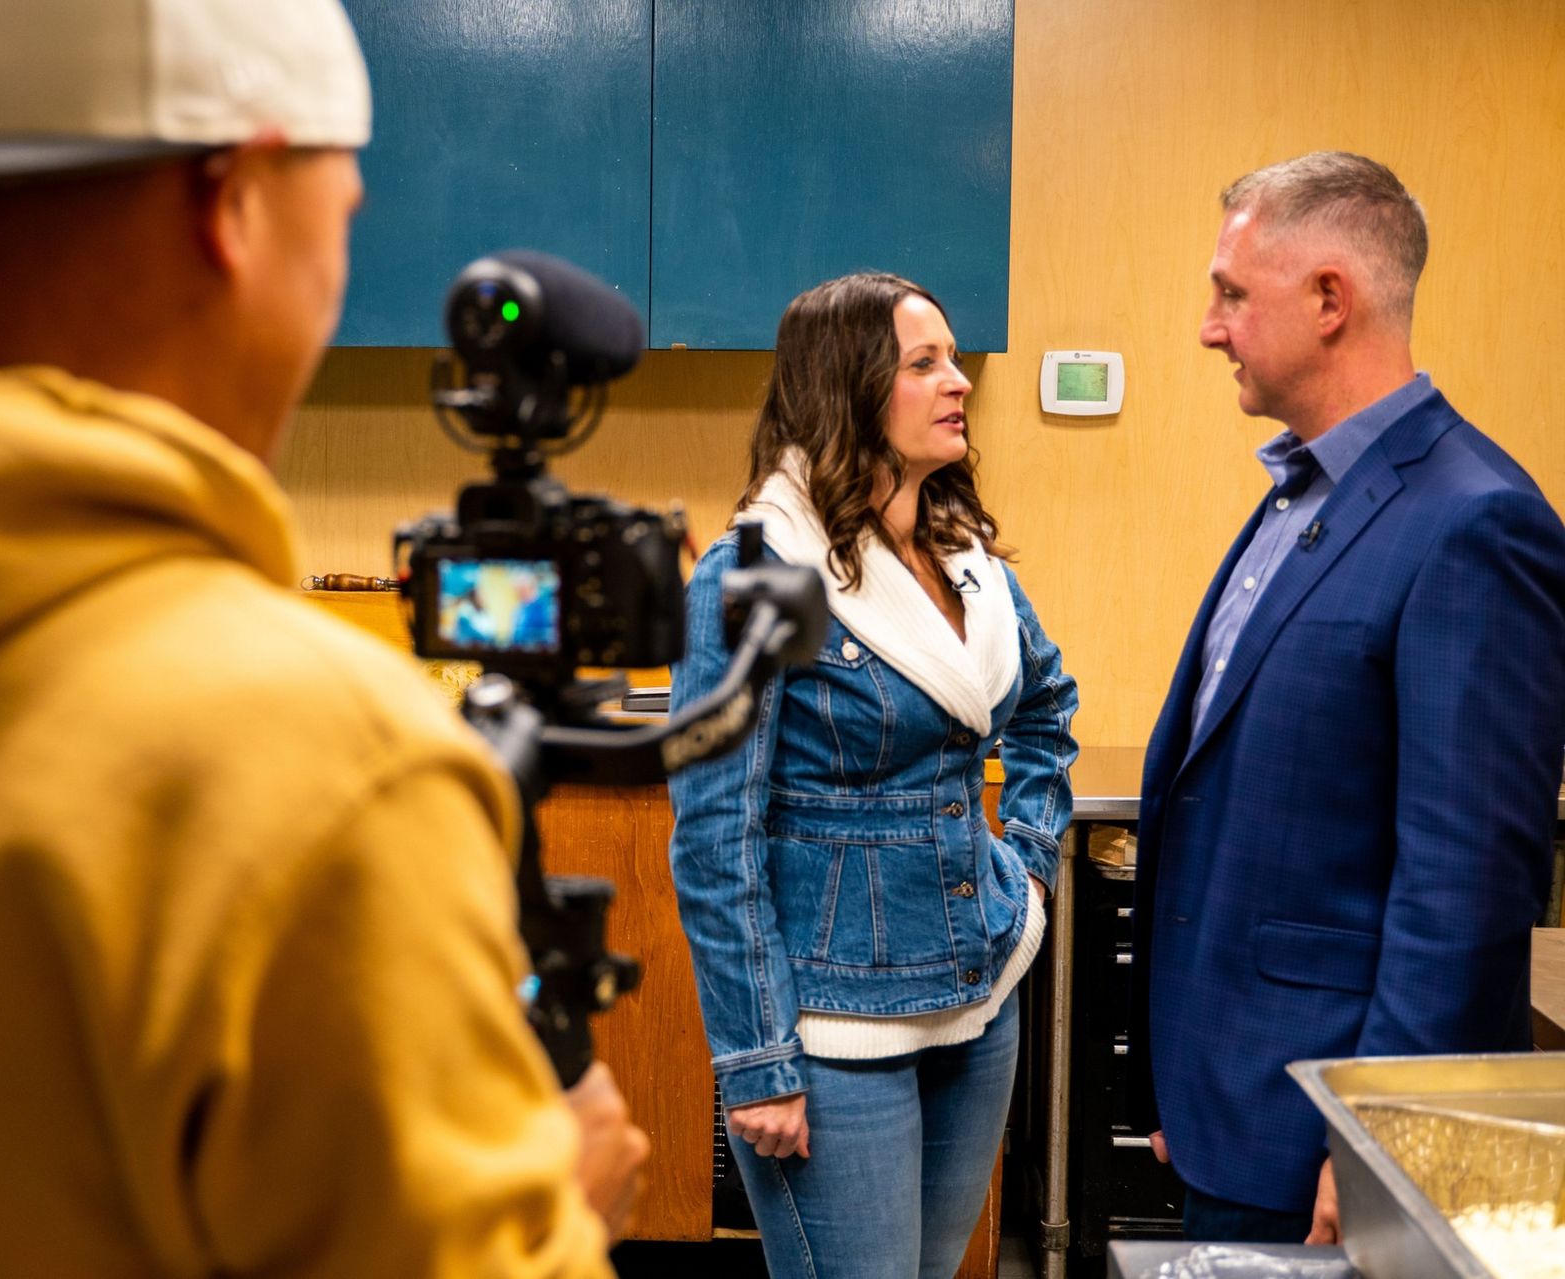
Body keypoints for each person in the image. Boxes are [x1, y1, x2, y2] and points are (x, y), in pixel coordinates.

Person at [0, 0, 645, 1273]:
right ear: (229, 203)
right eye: (339, 202)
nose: (344, 255)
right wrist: (565, 1210)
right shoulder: (321, 767)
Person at [1133, 151, 1565, 1245]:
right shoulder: (1299, 497)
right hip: (1239, 1099)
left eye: (1232, 293)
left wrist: (1380, 1136)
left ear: (1331, 300)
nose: (1209, 327)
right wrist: (1192, 1082)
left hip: (1336, 1140)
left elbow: (1466, 881)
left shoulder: (1476, 521)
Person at [667, 272, 1079, 1279]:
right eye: (924, 363)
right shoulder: (757, 571)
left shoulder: (972, 561)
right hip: (832, 1031)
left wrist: (1025, 872)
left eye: (955, 358)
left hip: (979, 1000)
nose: (959, 383)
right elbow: (716, 838)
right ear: (847, 388)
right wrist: (758, 1061)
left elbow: (1045, 708)